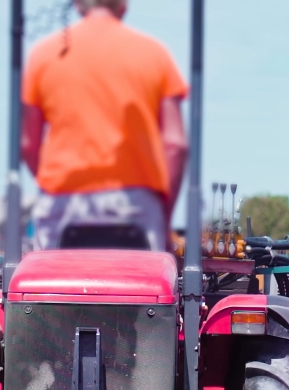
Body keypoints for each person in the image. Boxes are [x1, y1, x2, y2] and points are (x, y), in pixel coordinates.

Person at [21, 0, 188, 251]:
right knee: (143, 289)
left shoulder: (44, 54)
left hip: (63, 201)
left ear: (78, 5)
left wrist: (56, 185)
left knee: (53, 289)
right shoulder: (155, 54)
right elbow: (176, 146)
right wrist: (164, 217)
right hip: (135, 205)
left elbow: (27, 143)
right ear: (124, 6)